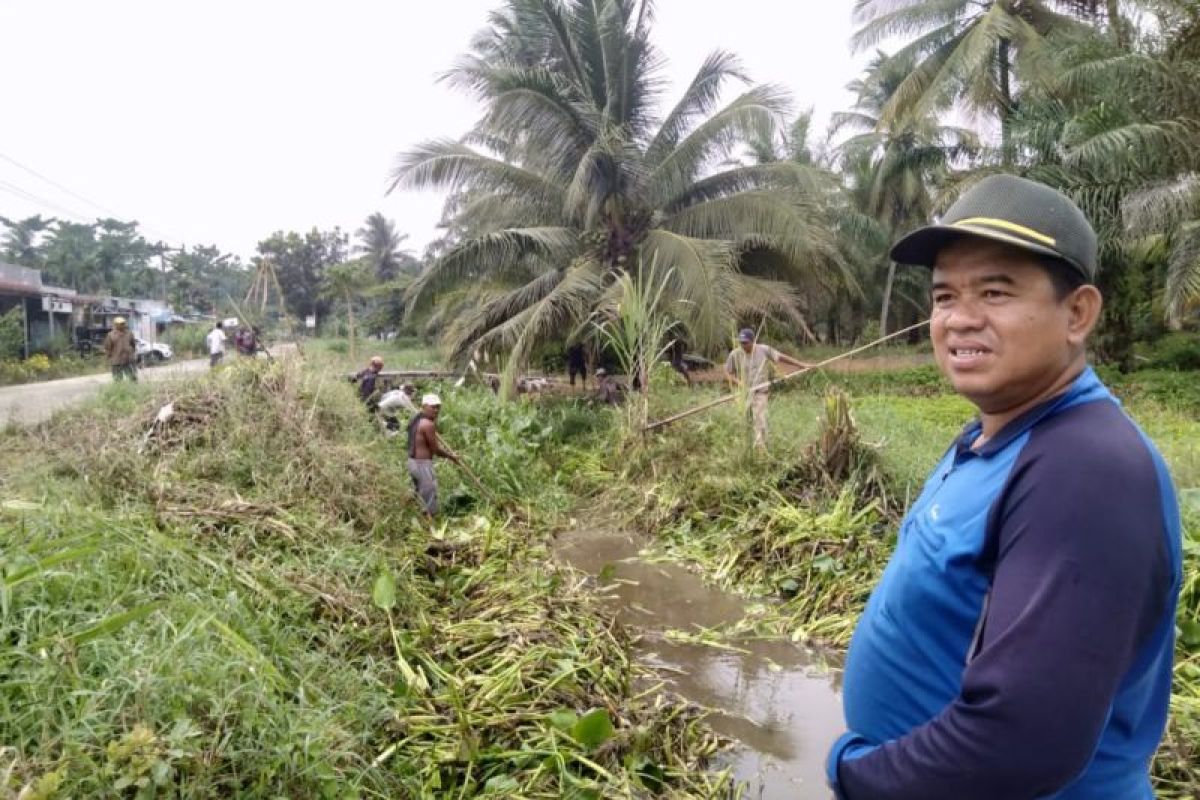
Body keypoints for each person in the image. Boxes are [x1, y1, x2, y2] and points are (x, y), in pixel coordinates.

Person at [826, 175, 1182, 800]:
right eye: (943, 296)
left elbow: (1021, 739)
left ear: (1077, 313)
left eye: (994, 291)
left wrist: (855, 775)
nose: (960, 319)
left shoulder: (1086, 468)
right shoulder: (994, 436)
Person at [724, 328, 808, 448]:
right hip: (744, 394)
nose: (743, 345)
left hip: (761, 392)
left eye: (746, 343)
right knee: (744, 422)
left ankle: (761, 449)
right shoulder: (735, 354)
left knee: (759, 420)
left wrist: (801, 365)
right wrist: (739, 383)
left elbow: (780, 357)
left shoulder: (763, 350)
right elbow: (727, 372)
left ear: (753, 341)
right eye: (741, 343)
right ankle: (748, 448)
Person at [406, 393, 459, 518]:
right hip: (422, 465)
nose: (436, 410)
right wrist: (452, 457)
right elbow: (435, 450)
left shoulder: (417, 420)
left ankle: (408, 511)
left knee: (418, 491)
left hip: (412, 463)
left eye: (438, 407)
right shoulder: (428, 425)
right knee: (430, 493)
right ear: (424, 407)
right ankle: (431, 526)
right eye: (433, 407)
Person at [102, 317, 138, 382]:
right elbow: (107, 348)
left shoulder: (129, 334)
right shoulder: (111, 335)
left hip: (128, 360)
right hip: (116, 361)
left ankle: (134, 390)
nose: (122, 325)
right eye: (120, 324)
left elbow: (133, 345)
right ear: (115, 325)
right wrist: (108, 358)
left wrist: (132, 354)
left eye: (123, 323)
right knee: (118, 380)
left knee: (133, 378)